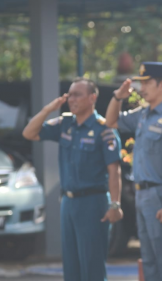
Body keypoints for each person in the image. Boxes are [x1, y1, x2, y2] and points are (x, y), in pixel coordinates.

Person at [22, 78, 123, 281]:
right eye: (69, 94)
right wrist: (49, 109)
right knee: (71, 267)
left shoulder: (104, 129)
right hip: (68, 202)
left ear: (92, 97)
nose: (71, 99)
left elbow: (114, 171)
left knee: (92, 266)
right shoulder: (64, 123)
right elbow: (29, 133)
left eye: (77, 94)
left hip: (93, 203)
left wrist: (115, 204)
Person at [105, 62, 162, 281]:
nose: (142, 88)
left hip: (160, 195)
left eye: (147, 83)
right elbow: (111, 121)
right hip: (141, 195)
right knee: (148, 260)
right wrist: (117, 97)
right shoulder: (142, 115)